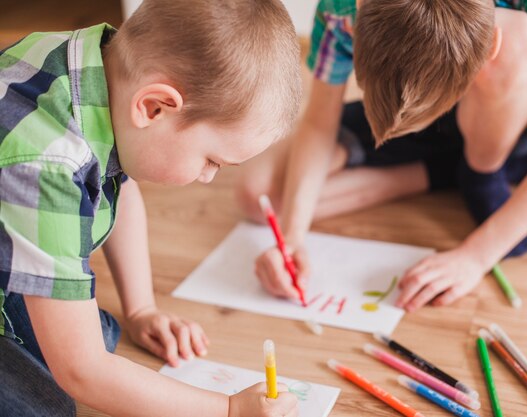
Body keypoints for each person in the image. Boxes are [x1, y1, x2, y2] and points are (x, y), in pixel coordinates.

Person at [0, 0, 302, 415]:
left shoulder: (96, 67)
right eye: (212, 160)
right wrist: (229, 410)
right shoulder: (47, 164)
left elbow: (114, 188)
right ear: (153, 107)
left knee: (100, 336)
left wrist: (141, 309)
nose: (208, 177)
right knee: (49, 401)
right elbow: (83, 372)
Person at [237, 0, 527, 312]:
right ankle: (437, 171)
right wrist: (293, 235)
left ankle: (481, 169)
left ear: (488, 45)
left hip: (504, 111)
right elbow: (318, 124)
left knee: (518, 42)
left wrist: (474, 257)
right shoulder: (341, 10)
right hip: (410, 116)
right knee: (259, 197)